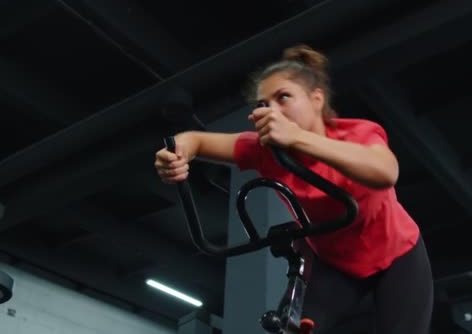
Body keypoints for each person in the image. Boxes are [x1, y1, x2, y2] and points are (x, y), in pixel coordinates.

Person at [155, 45, 434, 333]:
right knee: (294, 328)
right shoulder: (266, 150)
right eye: (263, 104)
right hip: (335, 263)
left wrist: (297, 137)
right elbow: (196, 140)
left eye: (283, 97)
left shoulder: (357, 133)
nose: (271, 111)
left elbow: (386, 172)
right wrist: (177, 154)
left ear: (316, 99)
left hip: (397, 254)